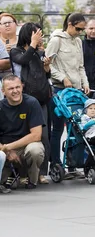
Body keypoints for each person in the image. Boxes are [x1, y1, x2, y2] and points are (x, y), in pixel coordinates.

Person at [10, 22, 53, 184]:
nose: (40, 37)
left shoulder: (38, 52)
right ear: (29, 34)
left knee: (44, 136)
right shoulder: (16, 51)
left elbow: (45, 77)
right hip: (24, 99)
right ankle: (22, 174)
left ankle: (41, 172)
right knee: (23, 135)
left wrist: (47, 67)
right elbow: (22, 60)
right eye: (37, 34)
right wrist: (33, 45)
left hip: (40, 99)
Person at [45, 13, 89, 170]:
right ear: (70, 24)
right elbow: (47, 63)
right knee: (57, 128)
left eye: (82, 30)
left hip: (76, 90)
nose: (80, 32)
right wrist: (63, 77)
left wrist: (85, 83)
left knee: (76, 127)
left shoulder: (78, 41)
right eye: (78, 29)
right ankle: (55, 163)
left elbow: (81, 66)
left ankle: (73, 162)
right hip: (59, 89)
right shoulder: (56, 40)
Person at [0, 74, 45, 189]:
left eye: (18, 87)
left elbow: (36, 135)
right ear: (3, 91)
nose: (15, 91)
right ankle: (10, 175)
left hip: (26, 146)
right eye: (10, 88)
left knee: (36, 150)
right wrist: (6, 150)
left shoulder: (32, 103)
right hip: (4, 149)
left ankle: (31, 179)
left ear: (22, 87)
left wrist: (9, 147)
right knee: (3, 182)